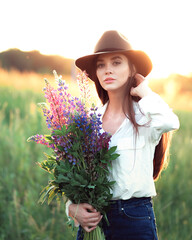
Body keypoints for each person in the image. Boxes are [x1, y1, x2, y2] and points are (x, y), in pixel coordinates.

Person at [67, 30, 180, 240]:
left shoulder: (145, 116)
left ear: (132, 69)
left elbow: (171, 122)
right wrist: (72, 208)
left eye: (117, 62)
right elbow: (77, 177)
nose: (108, 70)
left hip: (133, 221)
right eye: (101, 64)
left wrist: (144, 90)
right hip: (93, 223)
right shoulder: (90, 121)